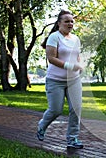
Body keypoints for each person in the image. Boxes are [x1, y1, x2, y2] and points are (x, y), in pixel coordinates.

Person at [37, 10, 84, 149]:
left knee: (76, 109)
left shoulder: (75, 39)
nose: (70, 24)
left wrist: (80, 66)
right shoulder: (54, 37)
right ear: (59, 24)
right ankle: (42, 125)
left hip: (73, 80)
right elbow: (51, 58)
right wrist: (70, 66)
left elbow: (77, 56)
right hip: (55, 80)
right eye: (66, 21)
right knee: (56, 110)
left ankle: (72, 138)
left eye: (72, 21)